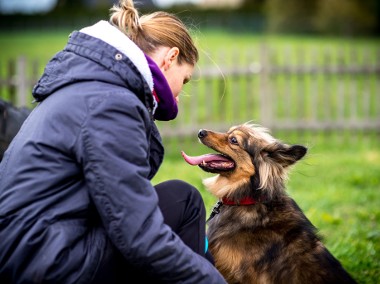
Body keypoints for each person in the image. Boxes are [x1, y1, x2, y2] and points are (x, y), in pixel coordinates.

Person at [0, 0, 227, 283]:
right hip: (47, 263)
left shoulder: (91, 86)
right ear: (170, 58)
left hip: (30, 249)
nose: (180, 95)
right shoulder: (112, 105)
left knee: (183, 199)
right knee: (183, 203)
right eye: (185, 79)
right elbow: (140, 236)